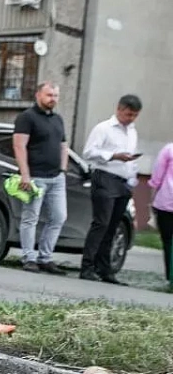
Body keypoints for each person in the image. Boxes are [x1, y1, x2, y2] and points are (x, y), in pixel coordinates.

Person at [80, 95, 143, 285]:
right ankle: (87, 266)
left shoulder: (132, 131)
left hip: (123, 181)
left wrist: (132, 177)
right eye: (128, 114)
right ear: (119, 109)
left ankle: (104, 269)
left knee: (113, 226)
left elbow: (131, 158)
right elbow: (89, 152)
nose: (131, 118)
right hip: (105, 177)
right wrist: (113, 156)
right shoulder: (104, 128)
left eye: (135, 115)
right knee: (101, 223)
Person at [12, 82, 69, 275]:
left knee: (59, 217)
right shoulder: (26, 117)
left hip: (56, 178)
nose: (53, 99)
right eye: (49, 95)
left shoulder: (58, 119)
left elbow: (63, 146)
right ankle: (29, 257)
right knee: (31, 217)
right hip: (36, 177)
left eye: (55, 95)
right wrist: (25, 174)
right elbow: (19, 146)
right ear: (38, 95)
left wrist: (63, 168)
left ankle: (46, 257)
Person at [150, 141, 173, 282]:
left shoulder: (169, 150)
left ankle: (170, 276)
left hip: (166, 201)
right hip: (166, 202)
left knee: (168, 241)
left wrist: (152, 199)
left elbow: (157, 177)